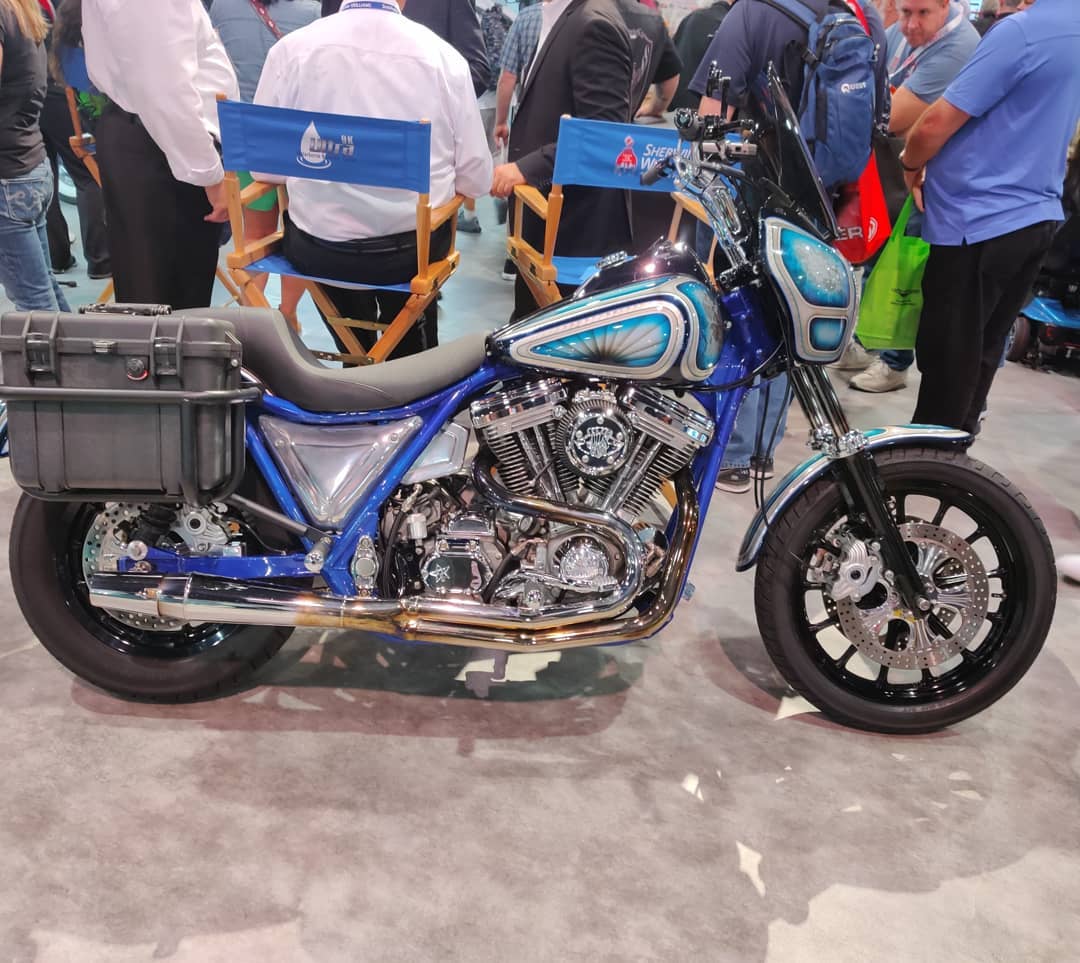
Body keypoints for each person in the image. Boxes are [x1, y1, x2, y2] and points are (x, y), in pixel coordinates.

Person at [688, 0, 888, 493]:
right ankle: (759, 451)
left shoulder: (754, 11)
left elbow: (712, 118)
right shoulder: (864, 16)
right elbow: (879, 117)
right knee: (792, 315)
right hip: (821, 198)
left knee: (736, 313)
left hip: (753, 189)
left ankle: (728, 452)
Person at [255, 0, 492, 357]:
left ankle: (355, 359)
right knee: (410, 343)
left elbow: (264, 167)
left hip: (318, 250)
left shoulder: (290, 51)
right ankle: (406, 368)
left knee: (349, 328)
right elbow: (477, 181)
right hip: (411, 255)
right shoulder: (444, 59)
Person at [900, 0, 1080, 434]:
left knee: (948, 362)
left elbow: (934, 124)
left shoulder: (1023, 31)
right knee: (979, 356)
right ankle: (954, 455)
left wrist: (910, 164)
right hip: (1034, 215)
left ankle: (929, 460)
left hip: (978, 219)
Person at [840, 0, 979, 393]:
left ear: (945, 6)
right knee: (879, 260)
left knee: (905, 270)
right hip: (895, 170)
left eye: (922, 13)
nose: (910, 24)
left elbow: (890, 115)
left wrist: (864, 100)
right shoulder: (901, 35)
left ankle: (895, 361)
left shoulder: (957, 47)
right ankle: (869, 342)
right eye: (904, 12)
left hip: (928, 177)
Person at [81, 0, 237, 309]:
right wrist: (208, 174)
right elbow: (167, 91)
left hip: (152, 138)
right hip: (166, 145)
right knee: (170, 303)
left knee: (153, 295)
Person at [491, 0, 634, 321]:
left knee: (551, 333)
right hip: (545, 222)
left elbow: (602, 136)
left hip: (571, 231)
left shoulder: (594, 24)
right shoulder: (564, 17)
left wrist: (526, 168)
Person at [210, 0, 317, 321]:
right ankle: (288, 315)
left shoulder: (222, 7)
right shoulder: (311, 12)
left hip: (244, 134)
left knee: (254, 234)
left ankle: (254, 316)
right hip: (296, 138)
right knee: (298, 233)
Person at [0, 0, 71, 312]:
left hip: (9, 179)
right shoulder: (21, 10)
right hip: (28, 167)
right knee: (43, 290)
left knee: (35, 304)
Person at [40, 0, 110, 280]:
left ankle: (57, 256)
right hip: (59, 89)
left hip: (25, 96)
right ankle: (100, 259)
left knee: (47, 177)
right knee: (86, 175)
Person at [669, 0, 731, 112]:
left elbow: (670, 65)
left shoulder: (691, 17)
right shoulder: (732, 26)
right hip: (704, 113)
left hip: (675, 111)